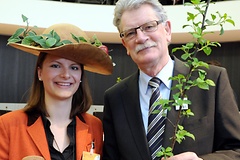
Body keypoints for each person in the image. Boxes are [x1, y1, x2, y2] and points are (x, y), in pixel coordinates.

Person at [102, 0, 240, 160]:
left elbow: (236, 149)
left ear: (167, 30)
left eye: (148, 26)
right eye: (131, 33)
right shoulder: (115, 98)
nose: (141, 37)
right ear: (125, 44)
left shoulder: (211, 81)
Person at [0, 23, 113, 160]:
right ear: (40, 72)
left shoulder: (94, 126)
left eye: (74, 68)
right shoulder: (8, 125)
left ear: (81, 76)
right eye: (56, 65)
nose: (66, 74)